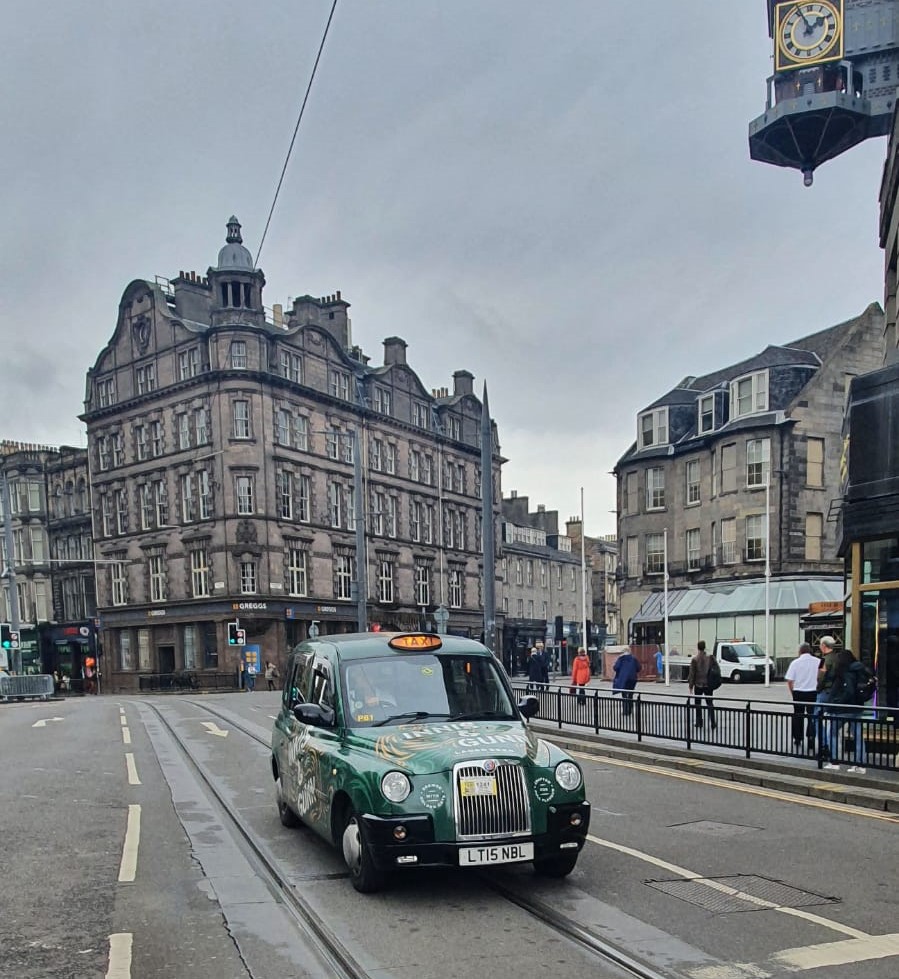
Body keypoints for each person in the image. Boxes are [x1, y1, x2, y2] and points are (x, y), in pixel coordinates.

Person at [823, 648, 867, 773]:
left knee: (832, 733)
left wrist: (836, 702)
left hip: (842, 709)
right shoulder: (859, 669)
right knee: (858, 736)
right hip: (857, 708)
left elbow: (849, 691)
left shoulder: (845, 671)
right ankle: (860, 764)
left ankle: (834, 761)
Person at [785, 642, 819, 753]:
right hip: (813, 692)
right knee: (812, 716)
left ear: (800, 651)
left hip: (799, 692)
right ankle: (811, 738)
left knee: (798, 715)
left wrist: (793, 692)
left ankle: (798, 738)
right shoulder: (818, 662)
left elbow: (790, 680)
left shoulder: (795, 663)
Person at [814, 635, 839, 760]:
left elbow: (821, 678)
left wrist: (818, 688)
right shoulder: (837, 658)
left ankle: (824, 746)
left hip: (825, 693)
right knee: (832, 721)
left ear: (824, 646)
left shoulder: (824, 660)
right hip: (835, 692)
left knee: (817, 719)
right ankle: (831, 746)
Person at [687, 640, 717, 730]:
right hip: (708, 684)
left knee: (698, 703)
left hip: (698, 684)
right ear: (704, 647)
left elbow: (692, 674)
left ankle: (699, 722)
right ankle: (712, 722)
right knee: (710, 703)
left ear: (698, 647)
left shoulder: (695, 660)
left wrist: (691, 686)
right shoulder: (710, 658)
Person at [613, 648, 641, 716]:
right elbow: (639, 668)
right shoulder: (634, 659)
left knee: (624, 694)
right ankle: (630, 710)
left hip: (623, 678)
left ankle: (625, 711)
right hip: (633, 678)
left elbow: (616, 667)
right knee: (631, 694)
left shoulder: (621, 659)